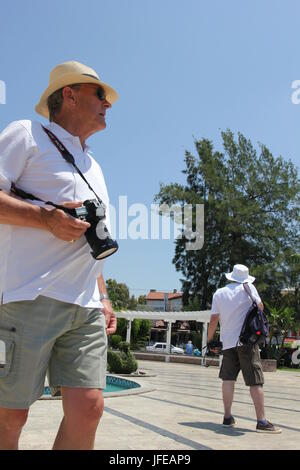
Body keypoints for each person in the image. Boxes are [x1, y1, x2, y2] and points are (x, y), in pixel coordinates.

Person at [0, 60, 119, 449]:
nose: (108, 103)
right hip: (27, 297)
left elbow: (90, 238)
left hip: (83, 306)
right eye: (99, 94)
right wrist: (45, 218)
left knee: (89, 408)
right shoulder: (27, 134)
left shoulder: (95, 165)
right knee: (10, 416)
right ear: (69, 94)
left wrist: (103, 297)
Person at [207, 264, 281, 433]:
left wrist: (210, 340)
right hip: (247, 342)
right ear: (245, 278)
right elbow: (260, 307)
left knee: (228, 379)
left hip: (228, 343)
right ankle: (261, 421)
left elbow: (213, 319)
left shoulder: (219, 293)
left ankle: (227, 417)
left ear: (231, 276)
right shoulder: (249, 288)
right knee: (255, 381)